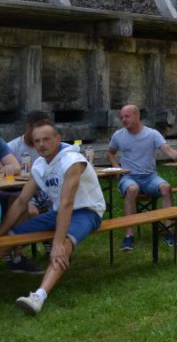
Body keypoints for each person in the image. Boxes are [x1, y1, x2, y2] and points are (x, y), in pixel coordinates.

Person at [0, 122, 106, 315]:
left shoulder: (72, 160)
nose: (41, 144)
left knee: (64, 245)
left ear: (58, 139)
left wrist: (57, 243)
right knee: (10, 237)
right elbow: (21, 201)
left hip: (87, 210)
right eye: (37, 141)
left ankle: (38, 297)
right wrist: (1, 232)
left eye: (46, 139)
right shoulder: (39, 165)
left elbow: (67, 202)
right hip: (59, 213)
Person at [108, 104, 177, 251]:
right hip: (129, 176)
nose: (123, 120)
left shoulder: (152, 134)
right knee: (132, 188)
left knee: (166, 187)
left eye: (127, 116)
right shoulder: (118, 135)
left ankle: (169, 231)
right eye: (122, 117)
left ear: (137, 116)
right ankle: (129, 235)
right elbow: (110, 152)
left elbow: (169, 151)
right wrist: (116, 166)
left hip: (149, 177)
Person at [3, 111, 57, 273]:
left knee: (61, 206)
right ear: (28, 128)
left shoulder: (51, 147)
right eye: (37, 129)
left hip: (45, 190)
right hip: (21, 190)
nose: (41, 140)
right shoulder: (13, 146)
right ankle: (15, 254)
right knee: (30, 210)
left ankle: (54, 244)